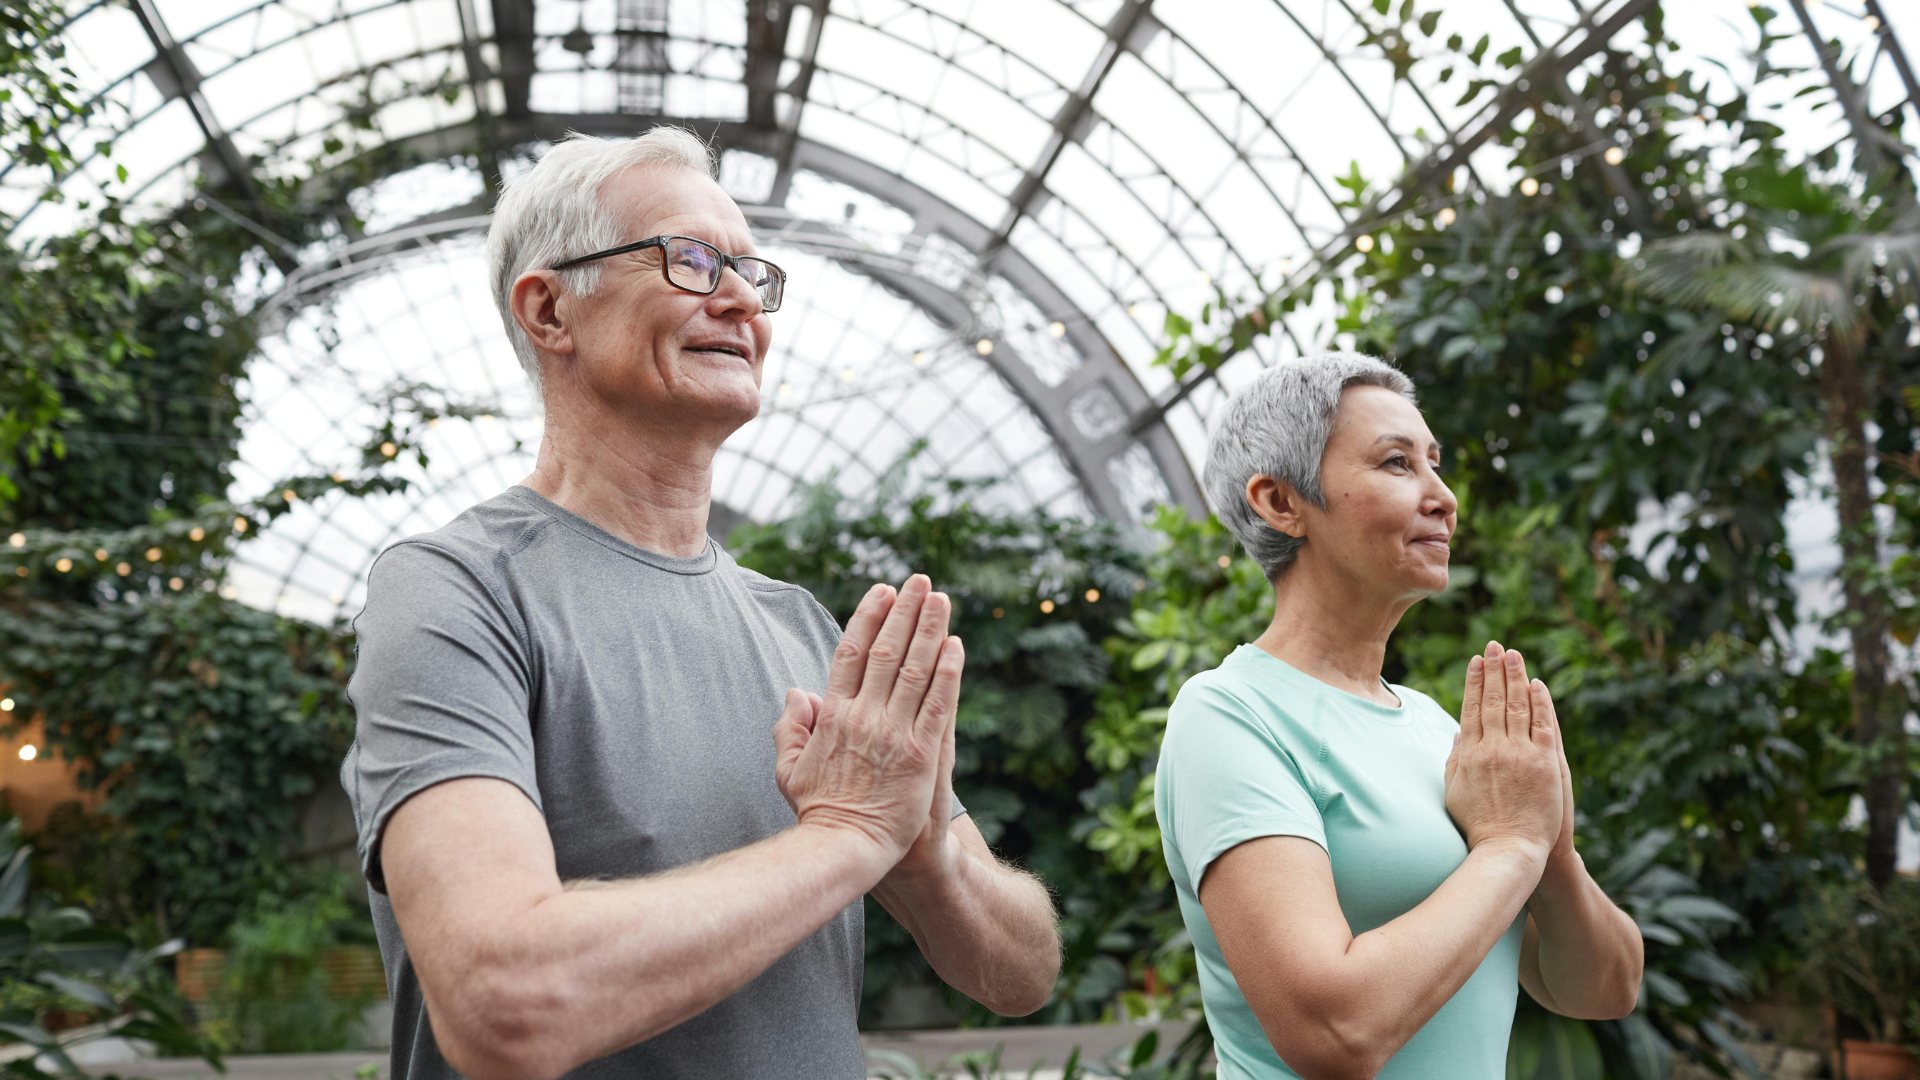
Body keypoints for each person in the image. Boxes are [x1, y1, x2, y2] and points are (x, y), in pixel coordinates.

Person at [342, 128, 1060, 1080]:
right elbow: (501, 1002)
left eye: (750, 273)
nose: (736, 298)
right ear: (549, 308)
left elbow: (1023, 971)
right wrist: (847, 838)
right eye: (688, 260)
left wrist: (923, 851)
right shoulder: (455, 591)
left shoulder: (803, 629)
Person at [1154, 353, 1644, 1080]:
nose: (1443, 496)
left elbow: (1605, 990)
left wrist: (1553, 851)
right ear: (1281, 503)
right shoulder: (1229, 717)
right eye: (1395, 463)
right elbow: (1335, 1032)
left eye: (1434, 464)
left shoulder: (1440, 731)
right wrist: (1509, 847)